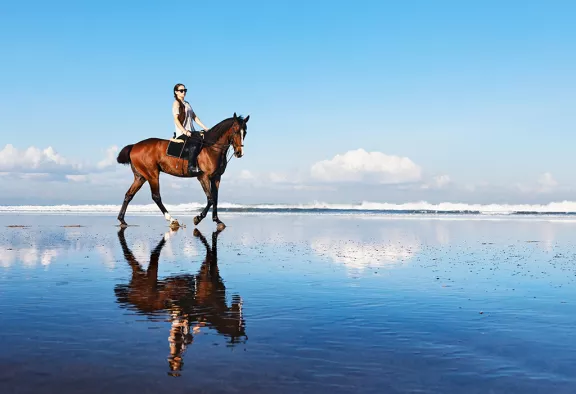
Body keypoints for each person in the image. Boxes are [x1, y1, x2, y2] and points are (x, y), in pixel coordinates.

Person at [172, 83, 210, 173]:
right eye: (181, 90)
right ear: (176, 92)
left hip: (191, 131)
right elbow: (176, 120)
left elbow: (194, 117)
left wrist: (205, 128)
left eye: (185, 90)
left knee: (205, 138)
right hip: (182, 132)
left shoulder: (187, 103)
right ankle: (191, 166)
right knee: (195, 142)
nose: (184, 92)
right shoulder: (176, 103)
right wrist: (184, 131)